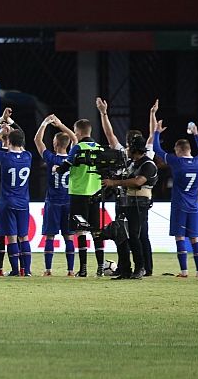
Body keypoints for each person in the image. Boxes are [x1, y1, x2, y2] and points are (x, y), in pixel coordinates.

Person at [51, 104, 108, 277]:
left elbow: (66, 165)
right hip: (96, 193)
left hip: (79, 193)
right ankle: (100, 268)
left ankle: (83, 269)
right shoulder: (99, 148)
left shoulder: (77, 148)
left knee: (80, 230)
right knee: (96, 231)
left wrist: (56, 169)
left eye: (75, 132)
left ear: (79, 132)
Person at [149, 100, 198, 277]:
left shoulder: (176, 161)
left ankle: (184, 271)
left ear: (179, 150)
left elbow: (157, 149)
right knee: (195, 239)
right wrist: (196, 135)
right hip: (194, 207)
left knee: (180, 238)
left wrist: (157, 132)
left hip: (179, 206)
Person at [101, 132, 157, 280]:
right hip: (125, 203)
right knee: (120, 236)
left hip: (139, 205)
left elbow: (138, 182)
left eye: (129, 147)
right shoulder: (132, 164)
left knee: (134, 236)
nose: (127, 150)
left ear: (134, 149)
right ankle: (125, 269)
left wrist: (114, 183)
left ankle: (140, 268)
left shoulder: (148, 164)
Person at [0, 111, 34, 277]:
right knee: (24, 237)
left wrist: (0, 133)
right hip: (23, 202)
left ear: (9, 141)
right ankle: (26, 271)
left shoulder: (4, 157)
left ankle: (14, 270)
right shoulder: (28, 156)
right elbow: (21, 139)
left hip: (7, 202)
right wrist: (11, 124)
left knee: (11, 238)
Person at [33, 114, 76, 277]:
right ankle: (71, 271)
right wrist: (61, 124)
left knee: (50, 236)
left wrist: (45, 123)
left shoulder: (51, 158)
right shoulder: (72, 157)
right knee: (69, 237)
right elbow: (74, 138)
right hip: (68, 202)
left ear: (55, 143)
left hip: (52, 202)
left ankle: (48, 270)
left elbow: (38, 140)